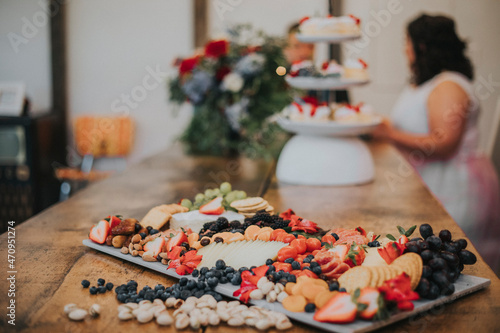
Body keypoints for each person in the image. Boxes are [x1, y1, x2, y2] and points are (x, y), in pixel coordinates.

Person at [373, 14, 500, 272]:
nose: (404, 49)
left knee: (464, 266)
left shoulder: (448, 85)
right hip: (435, 185)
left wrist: (387, 134)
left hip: (457, 189)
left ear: (421, 46)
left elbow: (443, 144)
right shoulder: (429, 83)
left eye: (407, 42)